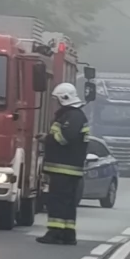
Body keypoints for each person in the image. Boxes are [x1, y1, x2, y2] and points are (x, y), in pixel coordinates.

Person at [37, 82, 91, 246]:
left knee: (58, 202)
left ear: (64, 98)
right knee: (67, 203)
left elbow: (65, 138)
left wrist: (46, 138)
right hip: (69, 169)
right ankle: (68, 234)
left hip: (64, 168)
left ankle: (55, 233)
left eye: (57, 99)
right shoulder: (74, 115)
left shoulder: (72, 116)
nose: (55, 102)